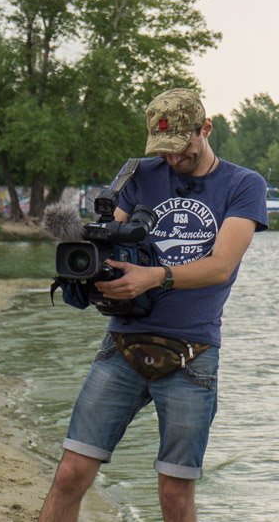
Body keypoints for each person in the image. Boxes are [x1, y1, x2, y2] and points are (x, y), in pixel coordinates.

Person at [38, 88, 267, 522]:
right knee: (71, 472)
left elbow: (220, 266)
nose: (172, 160)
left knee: (174, 493)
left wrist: (154, 276)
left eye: (181, 149)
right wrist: (88, 270)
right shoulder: (137, 175)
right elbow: (107, 243)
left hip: (191, 355)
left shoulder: (242, 185)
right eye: (163, 151)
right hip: (122, 345)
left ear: (206, 129)